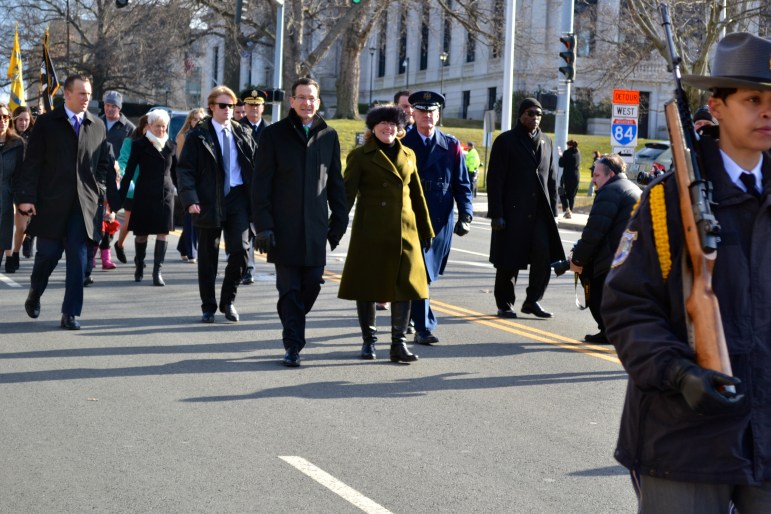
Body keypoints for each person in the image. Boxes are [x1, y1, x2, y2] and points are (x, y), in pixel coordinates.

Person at [603, 32, 771, 513]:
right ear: (716, 107)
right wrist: (679, 374)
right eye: (753, 98)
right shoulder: (667, 203)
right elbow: (627, 308)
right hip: (685, 441)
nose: (767, 111)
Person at [252, 77, 348, 367]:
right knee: (289, 289)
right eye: (302, 97)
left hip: (317, 230)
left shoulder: (328, 135)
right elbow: (261, 185)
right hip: (282, 230)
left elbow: (336, 184)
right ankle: (293, 344)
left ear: (318, 102)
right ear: (291, 101)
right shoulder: (273, 135)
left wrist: (339, 224)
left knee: (311, 285)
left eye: (312, 98)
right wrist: (264, 226)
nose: (307, 103)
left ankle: (292, 318)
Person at [339, 105, 434, 362]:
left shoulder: (409, 154)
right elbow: (346, 195)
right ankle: (369, 341)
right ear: (373, 127)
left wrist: (426, 230)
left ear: (400, 128)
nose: (388, 127)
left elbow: (417, 195)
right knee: (368, 287)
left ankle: (398, 344)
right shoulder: (360, 156)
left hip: (405, 231)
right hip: (370, 231)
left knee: (406, 287)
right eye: (382, 123)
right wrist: (335, 226)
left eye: (393, 124)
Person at [16, 74, 111, 330]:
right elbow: (32, 164)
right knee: (47, 255)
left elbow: (103, 163)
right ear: (67, 94)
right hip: (51, 204)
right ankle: (35, 292)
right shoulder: (47, 124)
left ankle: (70, 313)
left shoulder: (97, 125)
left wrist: (100, 188)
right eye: (82, 94)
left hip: (84, 206)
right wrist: (26, 198)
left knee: (79, 259)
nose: (86, 99)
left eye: (89, 94)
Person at [178, 86, 257, 323]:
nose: (228, 110)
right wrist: (190, 199)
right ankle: (208, 306)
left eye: (232, 106)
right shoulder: (198, 135)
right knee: (208, 257)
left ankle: (228, 300)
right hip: (209, 201)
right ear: (211, 107)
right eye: (223, 106)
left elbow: (257, 166)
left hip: (238, 199)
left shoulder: (242, 132)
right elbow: (185, 170)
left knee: (241, 251)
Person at [401, 90, 473, 345]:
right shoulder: (403, 143)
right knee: (420, 271)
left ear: (438, 115)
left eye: (432, 112)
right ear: (414, 114)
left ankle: (409, 313)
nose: (427, 116)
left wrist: (466, 213)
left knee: (430, 273)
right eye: (422, 111)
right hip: (411, 219)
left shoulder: (451, 144)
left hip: (441, 220)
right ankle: (424, 327)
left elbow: (462, 184)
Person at [487, 97, 565, 319]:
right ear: (520, 115)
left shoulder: (547, 142)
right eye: (530, 113)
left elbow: (551, 179)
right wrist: (497, 214)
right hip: (513, 212)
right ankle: (504, 303)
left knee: (544, 256)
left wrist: (555, 212)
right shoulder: (506, 141)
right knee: (509, 260)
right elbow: (495, 180)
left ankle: (533, 301)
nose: (535, 118)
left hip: (540, 212)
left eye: (539, 114)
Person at [565, 154, 640, 344]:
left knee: (593, 285)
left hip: (613, 256)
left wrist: (578, 260)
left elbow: (594, 232)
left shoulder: (610, 192)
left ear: (610, 174)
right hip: (631, 254)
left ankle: (608, 330)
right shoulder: (631, 187)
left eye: (597, 175)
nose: (593, 179)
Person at [120, 108, 176, 286]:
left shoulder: (171, 146)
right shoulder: (139, 145)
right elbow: (129, 172)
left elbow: (176, 172)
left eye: (164, 127)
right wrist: (120, 195)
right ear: (149, 126)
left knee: (163, 232)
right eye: (158, 126)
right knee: (142, 234)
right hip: (144, 193)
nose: (161, 130)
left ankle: (157, 271)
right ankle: (139, 264)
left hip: (165, 194)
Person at [93, 90, 134, 270]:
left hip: (116, 176)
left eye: (113, 106)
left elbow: (132, 153)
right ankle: (91, 254)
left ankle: (106, 254)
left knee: (111, 216)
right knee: (95, 216)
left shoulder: (128, 128)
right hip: (96, 174)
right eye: (107, 105)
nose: (109, 109)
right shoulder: (95, 122)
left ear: (120, 108)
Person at [237, 88, 269, 285]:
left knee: (258, 229)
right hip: (241, 187)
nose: (254, 109)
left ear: (263, 107)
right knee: (243, 231)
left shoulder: (271, 130)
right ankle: (248, 267)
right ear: (245, 107)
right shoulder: (235, 128)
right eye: (250, 105)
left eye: (257, 105)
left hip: (264, 188)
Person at [115, 115, 149, 266]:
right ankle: (119, 245)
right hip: (132, 187)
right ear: (142, 127)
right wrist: (121, 173)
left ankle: (139, 257)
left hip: (148, 189)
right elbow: (123, 160)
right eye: (149, 126)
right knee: (129, 223)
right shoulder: (130, 142)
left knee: (144, 225)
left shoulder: (158, 143)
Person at [175, 108, 205, 264]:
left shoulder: (206, 136)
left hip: (203, 181)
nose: (197, 122)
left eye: (200, 119)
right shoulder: (183, 136)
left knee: (196, 217)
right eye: (194, 119)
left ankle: (183, 246)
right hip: (188, 182)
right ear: (189, 121)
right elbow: (181, 163)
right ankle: (192, 251)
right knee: (190, 215)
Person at [0, 103, 24, 274]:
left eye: (5, 117)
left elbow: (21, 175)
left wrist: (22, 200)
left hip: (6, 198)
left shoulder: (17, 144)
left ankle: (9, 257)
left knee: (4, 235)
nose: (2, 121)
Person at [11, 106, 35, 261]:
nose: (23, 123)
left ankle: (15, 253)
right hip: (6, 184)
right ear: (14, 120)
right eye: (20, 119)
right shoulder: (7, 136)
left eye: (26, 120)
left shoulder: (33, 139)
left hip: (23, 188)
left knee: (21, 227)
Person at [558, 139, 581, 219]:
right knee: (571, 195)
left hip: (567, 176)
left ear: (569, 145)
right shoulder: (578, 152)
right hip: (576, 176)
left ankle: (567, 211)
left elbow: (561, 164)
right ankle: (570, 212)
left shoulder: (567, 153)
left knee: (561, 192)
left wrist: (561, 156)